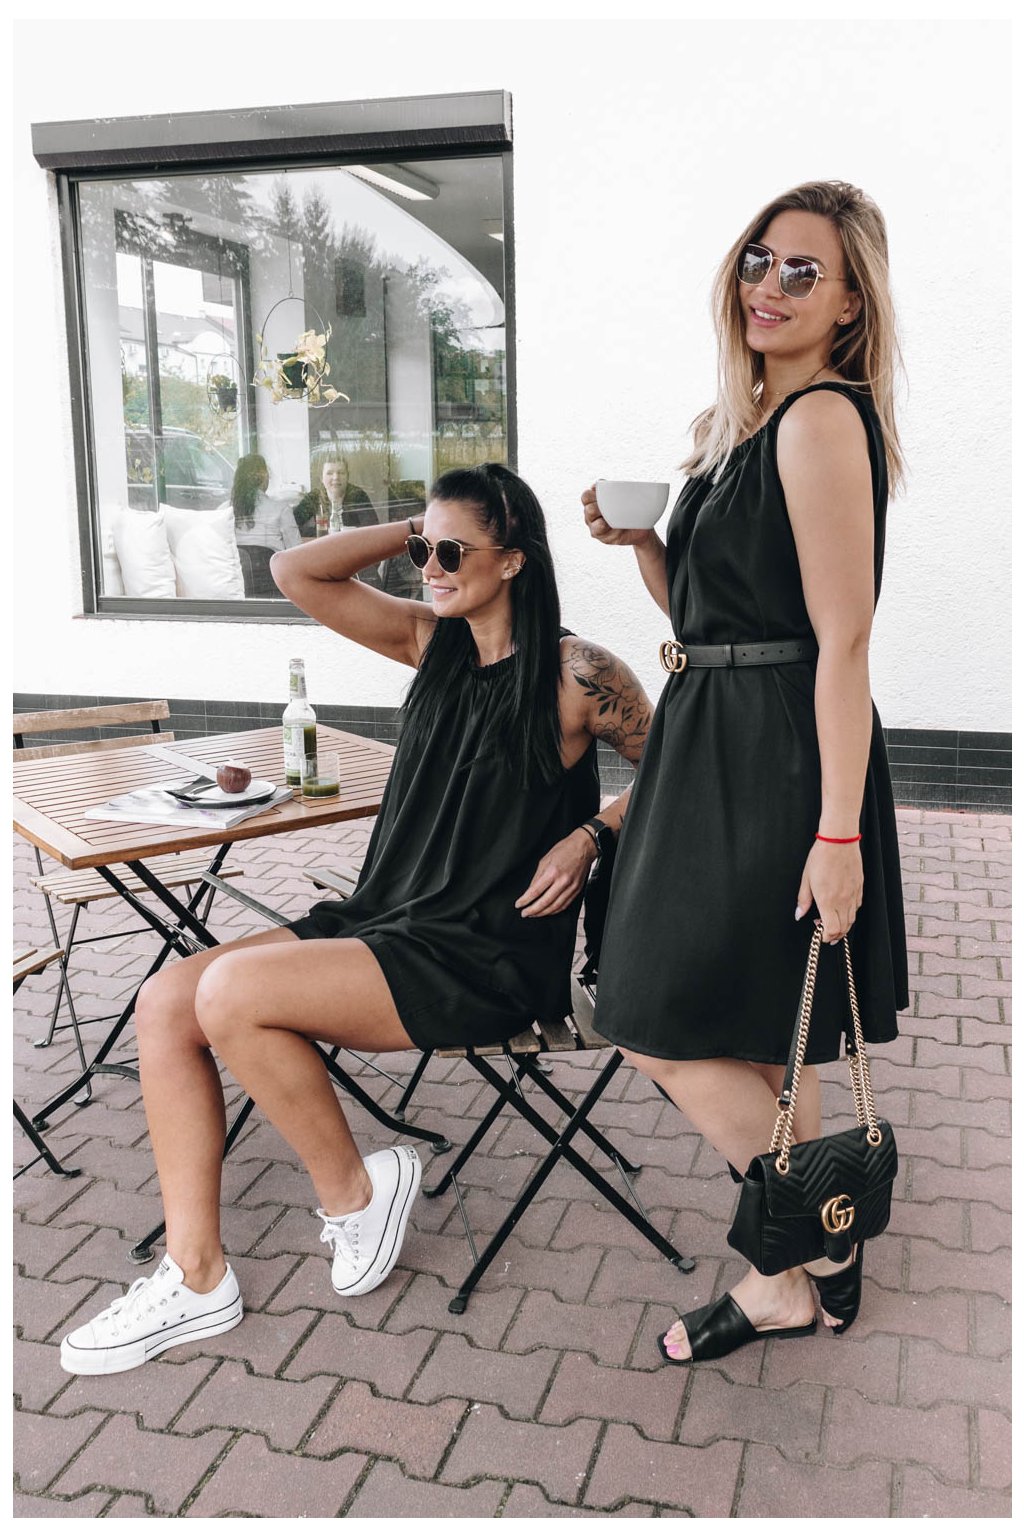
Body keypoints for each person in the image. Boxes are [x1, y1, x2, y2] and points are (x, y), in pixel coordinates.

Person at [60, 461, 652, 1377]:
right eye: (424, 551)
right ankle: (196, 1273)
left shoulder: (580, 674)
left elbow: (676, 765)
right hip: (385, 919)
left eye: (453, 552)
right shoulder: (429, 641)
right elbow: (295, 570)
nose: (431, 569)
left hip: (485, 952)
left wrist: (590, 835)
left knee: (231, 994)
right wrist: (415, 528)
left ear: (514, 561)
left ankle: (355, 1196)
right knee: (166, 1001)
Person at [582, 181, 908, 1365]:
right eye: (758, 260)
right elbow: (709, 615)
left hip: (772, 755)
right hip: (713, 730)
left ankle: (815, 1243)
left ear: (850, 302)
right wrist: (646, 545)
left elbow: (843, 642)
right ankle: (794, 1266)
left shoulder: (820, 421)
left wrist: (838, 835)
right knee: (775, 1034)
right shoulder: (746, 422)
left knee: (644, 1014)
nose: (768, 284)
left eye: (801, 270)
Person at [293, 451, 382, 588]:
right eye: (330, 473)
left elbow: (372, 531)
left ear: (347, 476)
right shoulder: (314, 497)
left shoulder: (358, 496)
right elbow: (293, 525)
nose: (336, 477)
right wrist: (318, 534)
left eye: (341, 473)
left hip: (354, 562)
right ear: (321, 477)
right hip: (323, 560)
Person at [229, 453, 302, 553]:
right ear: (264, 475)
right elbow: (297, 551)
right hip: (271, 563)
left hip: (237, 563)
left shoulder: (225, 510)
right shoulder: (281, 510)